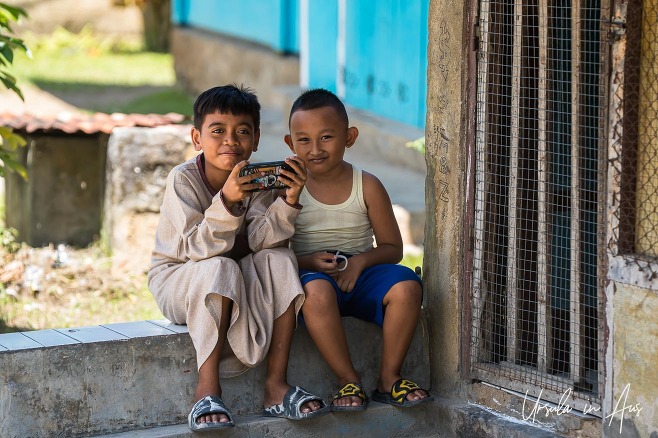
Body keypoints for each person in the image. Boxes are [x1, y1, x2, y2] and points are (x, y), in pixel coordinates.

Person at [148, 84, 326, 432]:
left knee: (280, 259)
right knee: (219, 265)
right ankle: (207, 388)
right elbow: (195, 249)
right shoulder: (183, 179)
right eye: (218, 131)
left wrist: (287, 199)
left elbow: (262, 242)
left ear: (256, 139)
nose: (231, 140)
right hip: (178, 280)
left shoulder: (257, 179)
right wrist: (227, 201)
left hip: (233, 278)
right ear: (197, 137)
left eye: (242, 131)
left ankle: (276, 385)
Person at [283, 88, 433, 412]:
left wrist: (360, 262)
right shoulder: (287, 190)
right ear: (289, 143)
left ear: (349, 137)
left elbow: (393, 248)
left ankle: (389, 378)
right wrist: (307, 260)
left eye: (326, 137)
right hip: (311, 274)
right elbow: (271, 250)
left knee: (407, 286)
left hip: (362, 273)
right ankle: (347, 379)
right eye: (304, 140)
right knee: (317, 293)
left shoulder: (366, 185)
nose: (315, 149)